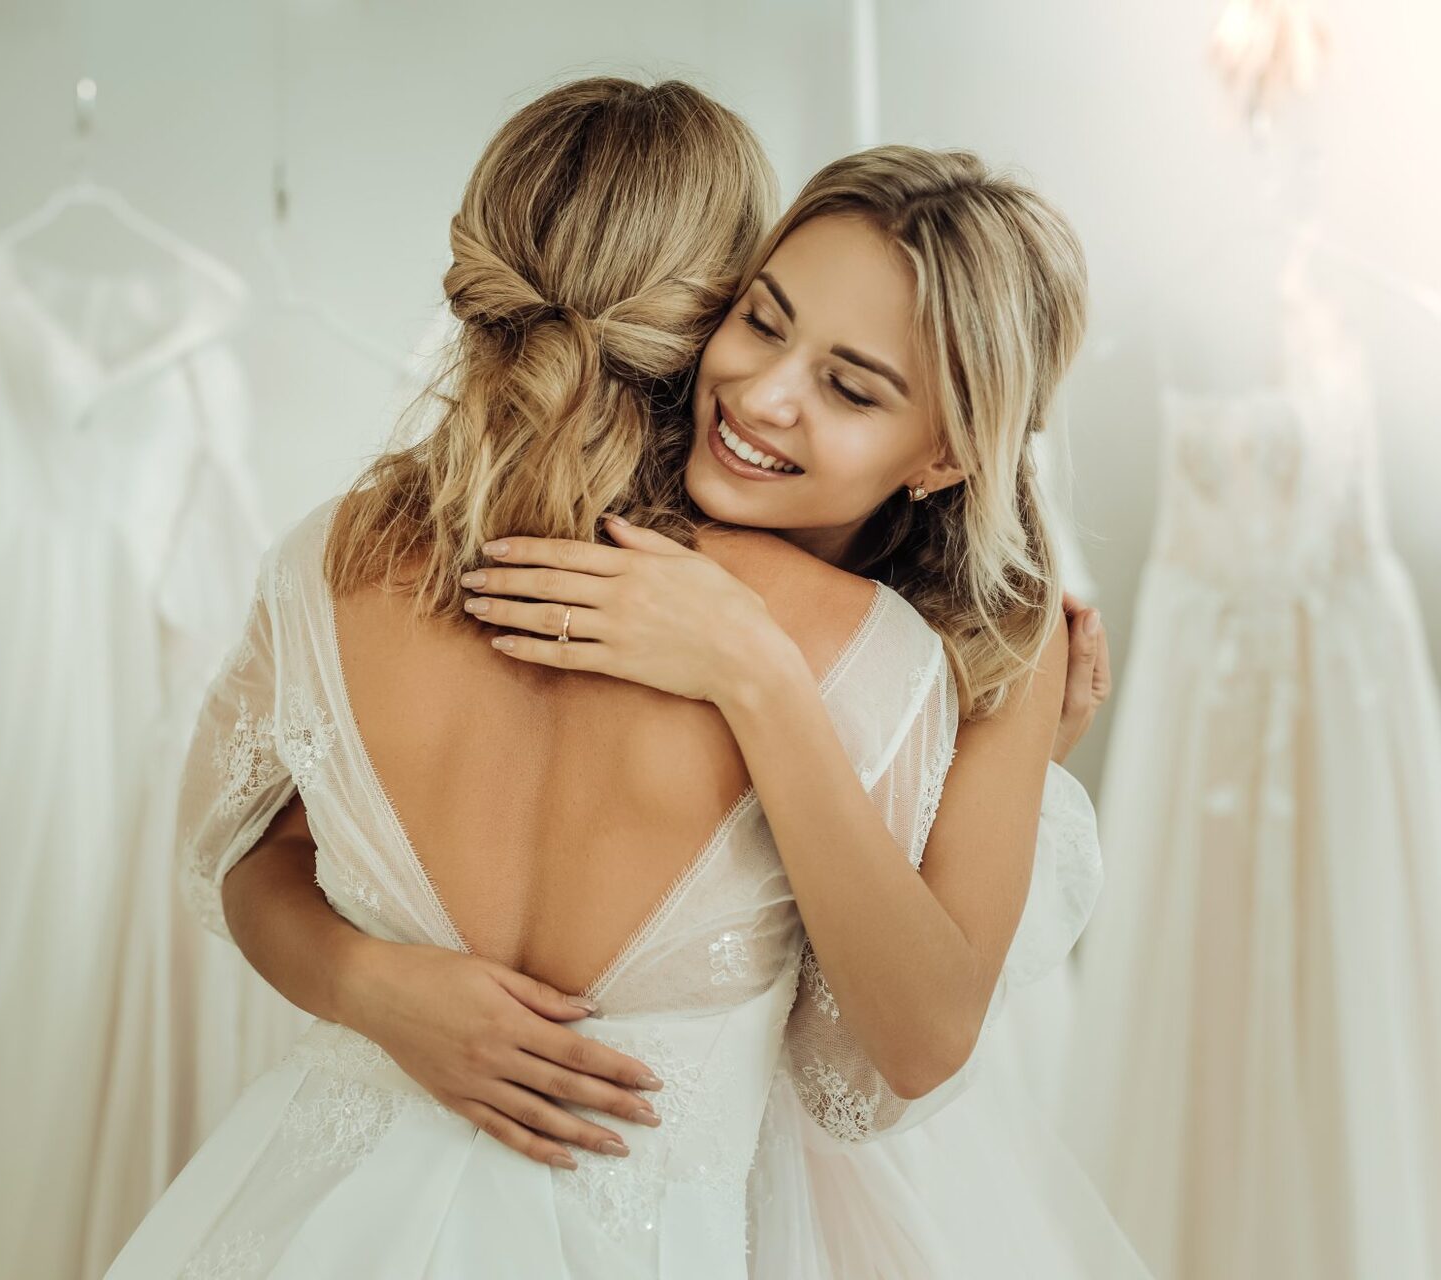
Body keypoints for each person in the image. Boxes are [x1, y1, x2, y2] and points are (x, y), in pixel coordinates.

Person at [113, 78, 1138, 1276]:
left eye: (852, 387)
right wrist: (376, 984)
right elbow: (256, 852)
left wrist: (755, 673)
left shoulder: (986, 644)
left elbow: (900, 1043)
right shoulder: (455, 545)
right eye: (760, 320)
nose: (761, 394)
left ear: (948, 451)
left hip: (786, 1197)